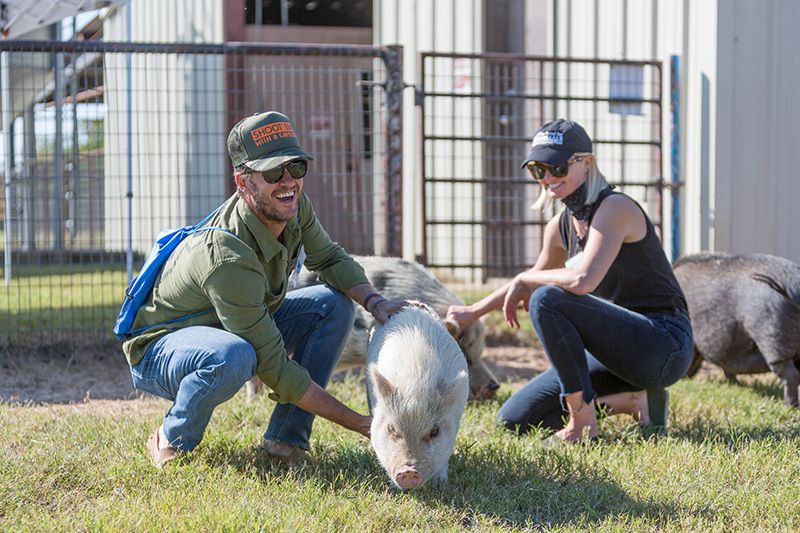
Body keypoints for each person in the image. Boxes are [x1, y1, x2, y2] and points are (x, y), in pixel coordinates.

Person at [122, 111, 406, 468]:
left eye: (296, 167)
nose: (288, 182)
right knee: (234, 356)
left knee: (333, 306)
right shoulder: (227, 256)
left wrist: (375, 302)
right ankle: (172, 438)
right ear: (243, 184)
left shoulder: (292, 205)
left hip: (231, 326)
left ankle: (285, 444)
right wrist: (366, 426)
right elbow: (276, 370)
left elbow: (330, 259)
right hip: (160, 347)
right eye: (273, 173)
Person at [446, 118, 693, 443]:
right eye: (538, 169)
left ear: (586, 163)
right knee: (514, 419)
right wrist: (471, 313)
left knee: (548, 299)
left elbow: (581, 280)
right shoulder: (560, 227)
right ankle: (635, 401)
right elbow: (529, 281)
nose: (547, 177)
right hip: (613, 351)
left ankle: (582, 423)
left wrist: (527, 278)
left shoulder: (616, 208)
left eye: (557, 166)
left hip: (662, 346)